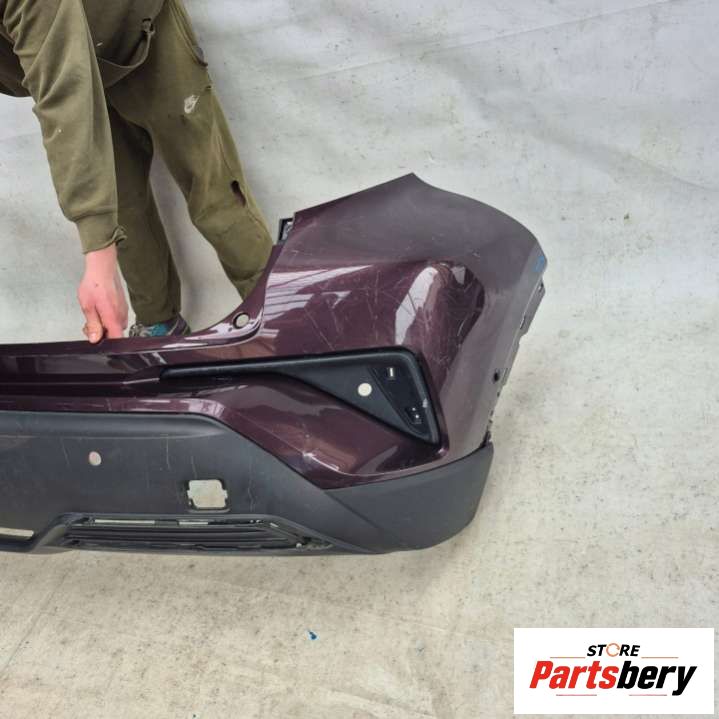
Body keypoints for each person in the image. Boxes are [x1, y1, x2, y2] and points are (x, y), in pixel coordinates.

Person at [0, 0, 272, 339]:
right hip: (71, 59)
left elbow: (62, 89)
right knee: (122, 206)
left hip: (135, 25)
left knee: (209, 185)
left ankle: (275, 310)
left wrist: (97, 253)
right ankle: (158, 321)